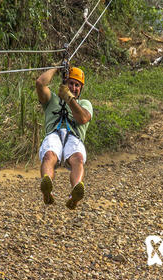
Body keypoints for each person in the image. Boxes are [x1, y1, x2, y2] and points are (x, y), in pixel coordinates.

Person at [35, 66, 93, 209]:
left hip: (74, 137)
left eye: (77, 85)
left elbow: (84, 118)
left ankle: (75, 194)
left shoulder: (84, 104)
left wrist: (69, 98)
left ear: (81, 89)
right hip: (54, 133)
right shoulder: (51, 99)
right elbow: (40, 83)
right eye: (71, 83)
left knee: (78, 159)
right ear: (65, 83)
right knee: (49, 155)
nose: (73, 87)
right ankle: (47, 188)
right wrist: (57, 68)